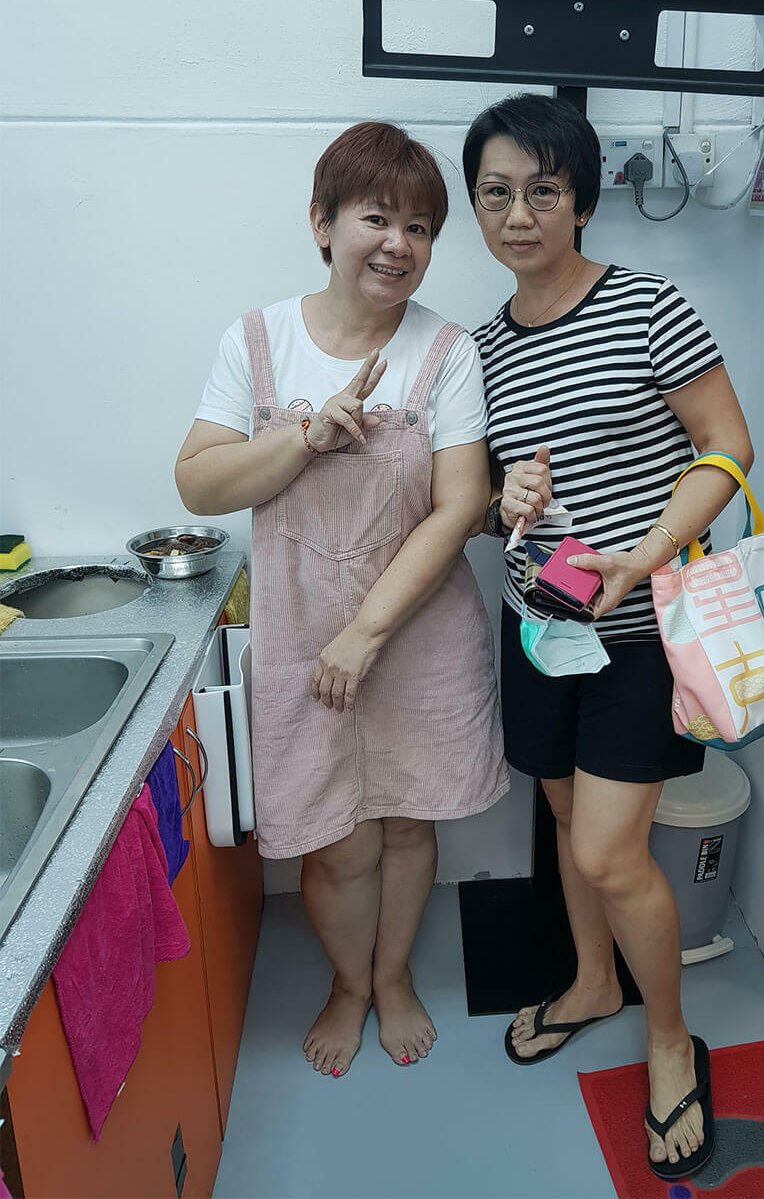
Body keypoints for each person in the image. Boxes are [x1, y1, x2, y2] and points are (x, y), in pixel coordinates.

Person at [176, 122, 507, 1078]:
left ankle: (391, 977)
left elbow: (461, 506)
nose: (399, 244)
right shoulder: (259, 342)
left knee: (406, 821)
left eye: (420, 226)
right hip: (300, 634)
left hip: (415, 631)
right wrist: (305, 437)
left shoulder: (445, 351)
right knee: (333, 840)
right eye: (376, 218)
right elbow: (198, 483)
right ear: (323, 223)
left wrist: (366, 632)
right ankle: (348, 984)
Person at [466, 94, 753, 1181]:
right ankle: (592, 983)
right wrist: (504, 499)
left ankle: (670, 1037)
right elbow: (489, 498)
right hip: (542, 631)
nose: (519, 214)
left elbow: (728, 445)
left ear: (581, 200)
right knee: (559, 815)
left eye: (543, 190)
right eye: (497, 193)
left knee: (605, 850)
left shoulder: (647, 306)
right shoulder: (482, 349)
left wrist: (645, 552)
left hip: (641, 634)